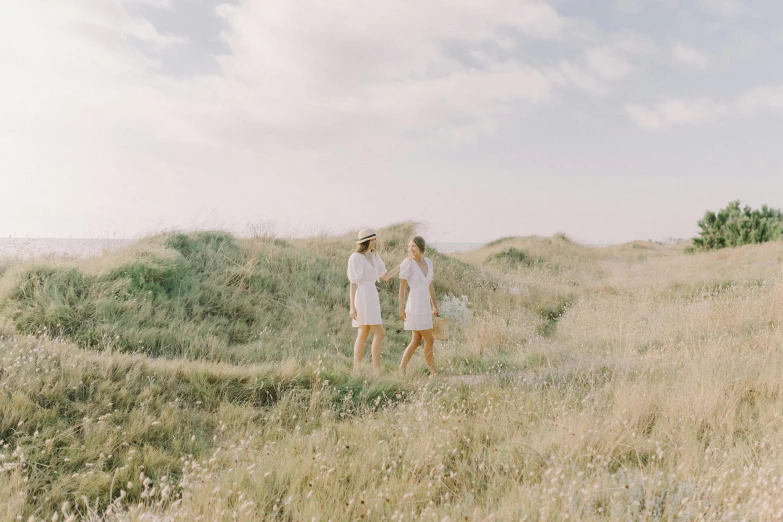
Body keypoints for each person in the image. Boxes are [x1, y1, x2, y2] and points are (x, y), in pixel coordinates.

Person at [347, 228, 400, 371]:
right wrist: (352, 306)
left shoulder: (374, 257)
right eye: (372, 240)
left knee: (363, 333)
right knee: (379, 332)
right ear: (365, 242)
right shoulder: (355, 258)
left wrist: (401, 266)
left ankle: (357, 369)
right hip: (363, 295)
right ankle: (375, 369)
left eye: (375, 240)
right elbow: (353, 283)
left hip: (372, 295)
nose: (375, 243)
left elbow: (386, 276)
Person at [398, 236, 438, 376]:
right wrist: (401, 308)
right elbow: (402, 287)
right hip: (414, 303)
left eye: (413, 246)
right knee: (429, 339)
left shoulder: (428, 262)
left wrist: (434, 305)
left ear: (421, 246)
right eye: (409, 246)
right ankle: (433, 372)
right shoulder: (408, 263)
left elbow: (430, 285)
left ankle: (402, 369)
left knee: (416, 340)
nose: (411, 249)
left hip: (425, 305)